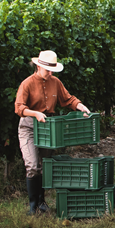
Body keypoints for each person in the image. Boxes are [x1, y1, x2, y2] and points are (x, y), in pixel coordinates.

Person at [15, 51, 91, 216]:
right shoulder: (27, 84)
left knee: (44, 166)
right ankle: (32, 206)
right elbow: (19, 108)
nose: (50, 73)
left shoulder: (55, 82)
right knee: (32, 166)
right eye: (47, 70)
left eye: (52, 70)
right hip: (29, 126)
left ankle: (42, 203)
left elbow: (68, 99)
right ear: (39, 66)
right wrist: (35, 113)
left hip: (48, 126)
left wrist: (81, 106)